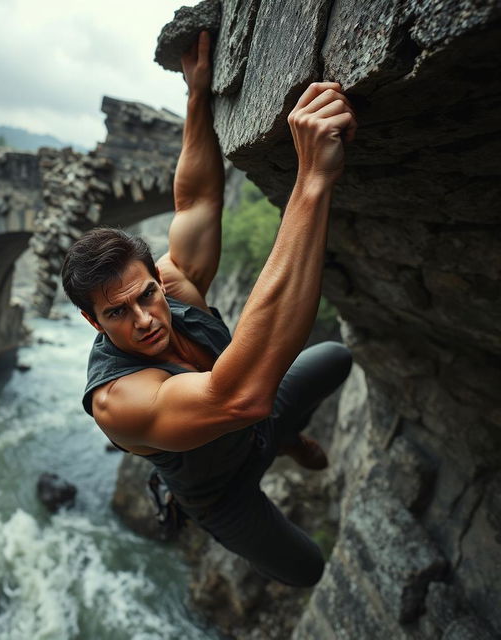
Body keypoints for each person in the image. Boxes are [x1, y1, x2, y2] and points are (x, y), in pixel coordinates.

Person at [61, 31, 356, 587]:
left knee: (337, 357)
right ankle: (270, 453)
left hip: (257, 422)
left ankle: (285, 441)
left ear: (157, 277)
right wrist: (312, 180)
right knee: (307, 568)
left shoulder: (175, 284)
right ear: (91, 322)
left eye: (146, 294)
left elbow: (195, 200)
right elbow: (240, 396)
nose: (145, 318)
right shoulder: (118, 402)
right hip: (220, 490)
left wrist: (197, 95)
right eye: (117, 314)